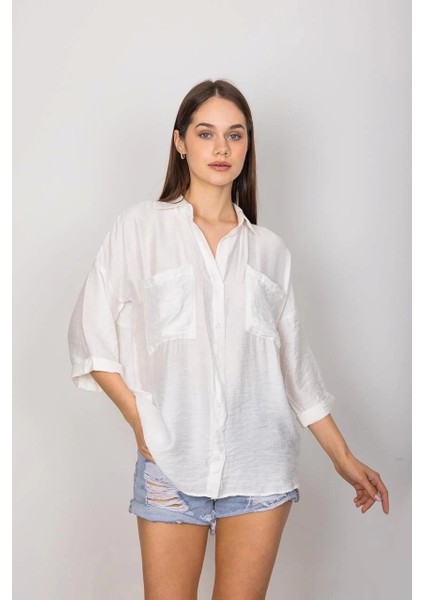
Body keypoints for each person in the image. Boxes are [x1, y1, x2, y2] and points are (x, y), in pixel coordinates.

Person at [67, 79, 390, 600]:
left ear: (247, 146)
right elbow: (91, 334)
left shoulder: (270, 252)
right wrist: (139, 418)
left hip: (260, 472)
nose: (221, 148)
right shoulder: (140, 229)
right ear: (180, 142)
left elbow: (296, 374)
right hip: (171, 464)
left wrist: (344, 458)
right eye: (205, 133)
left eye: (235, 135)